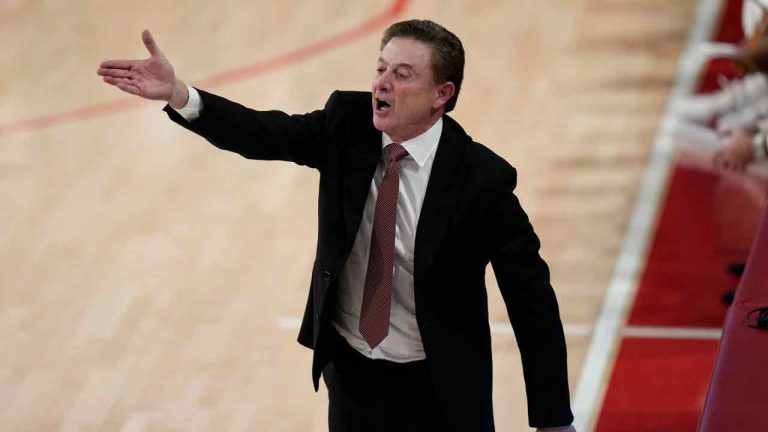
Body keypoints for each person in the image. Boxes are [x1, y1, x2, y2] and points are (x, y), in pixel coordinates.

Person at [98, 20, 575, 432]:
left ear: (441, 95)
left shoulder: (482, 181)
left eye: (402, 74)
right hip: (351, 373)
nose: (382, 83)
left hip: (439, 386)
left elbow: (531, 300)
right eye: (380, 68)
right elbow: (262, 133)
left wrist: (552, 416)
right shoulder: (347, 125)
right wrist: (181, 95)